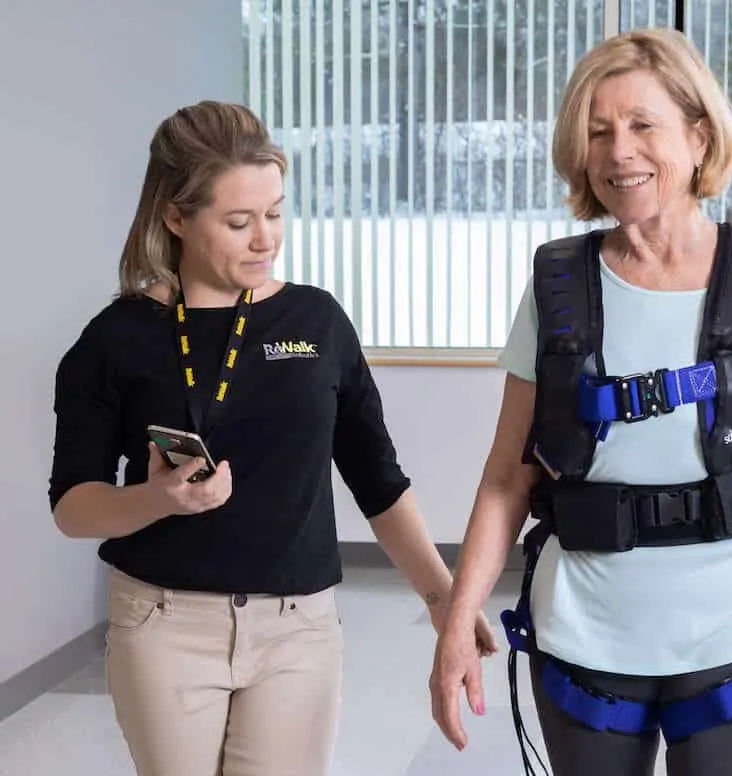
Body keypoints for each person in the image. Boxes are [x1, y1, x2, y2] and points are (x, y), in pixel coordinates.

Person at [430, 28, 732, 776]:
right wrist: (454, 621)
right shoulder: (558, 285)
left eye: (643, 125)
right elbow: (509, 475)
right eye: (598, 132)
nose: (619, 152)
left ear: (699, 138)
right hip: (583, 631)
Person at [48, 100, 496, 776]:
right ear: (175, 217)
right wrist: (156, 499)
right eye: (239, 222)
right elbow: (73, 507)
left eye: (276, 213)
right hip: (163, 626)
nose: (266, 239)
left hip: (297, 630)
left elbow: (378, 480)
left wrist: (444, 602)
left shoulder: (317, 322)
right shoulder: (115, 339)